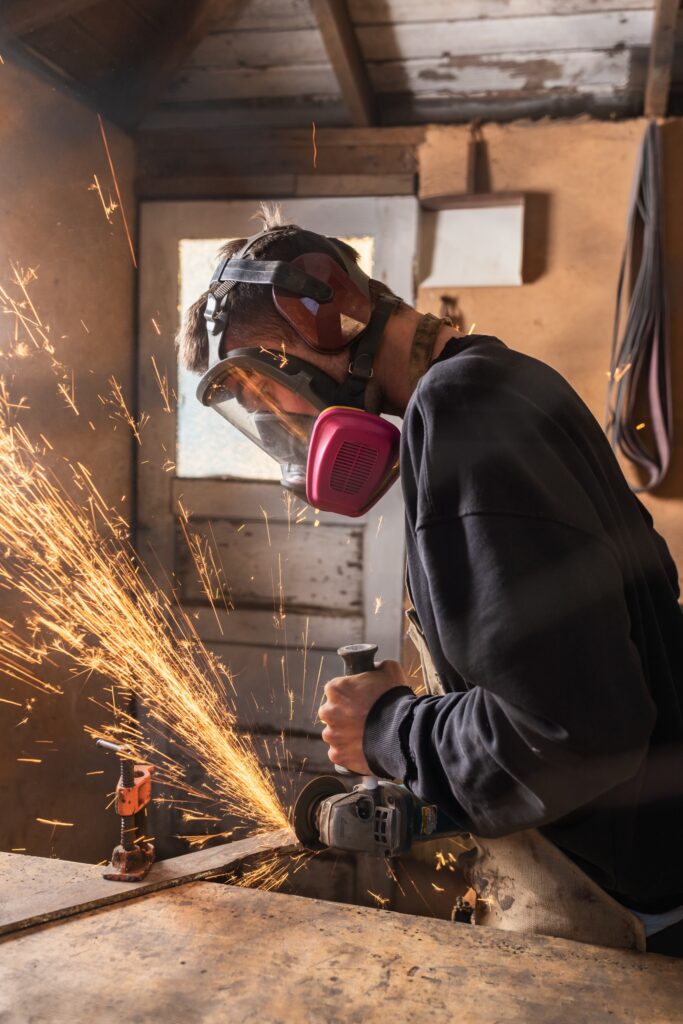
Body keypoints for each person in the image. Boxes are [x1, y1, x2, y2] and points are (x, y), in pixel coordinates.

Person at [178, 206, 683, 956]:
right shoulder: (498, 383)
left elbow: (569, 736)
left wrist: (385, 727)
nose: (284, 424)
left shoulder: (462, 406)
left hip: (645, 918)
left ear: (314, 315)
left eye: (262, 396)